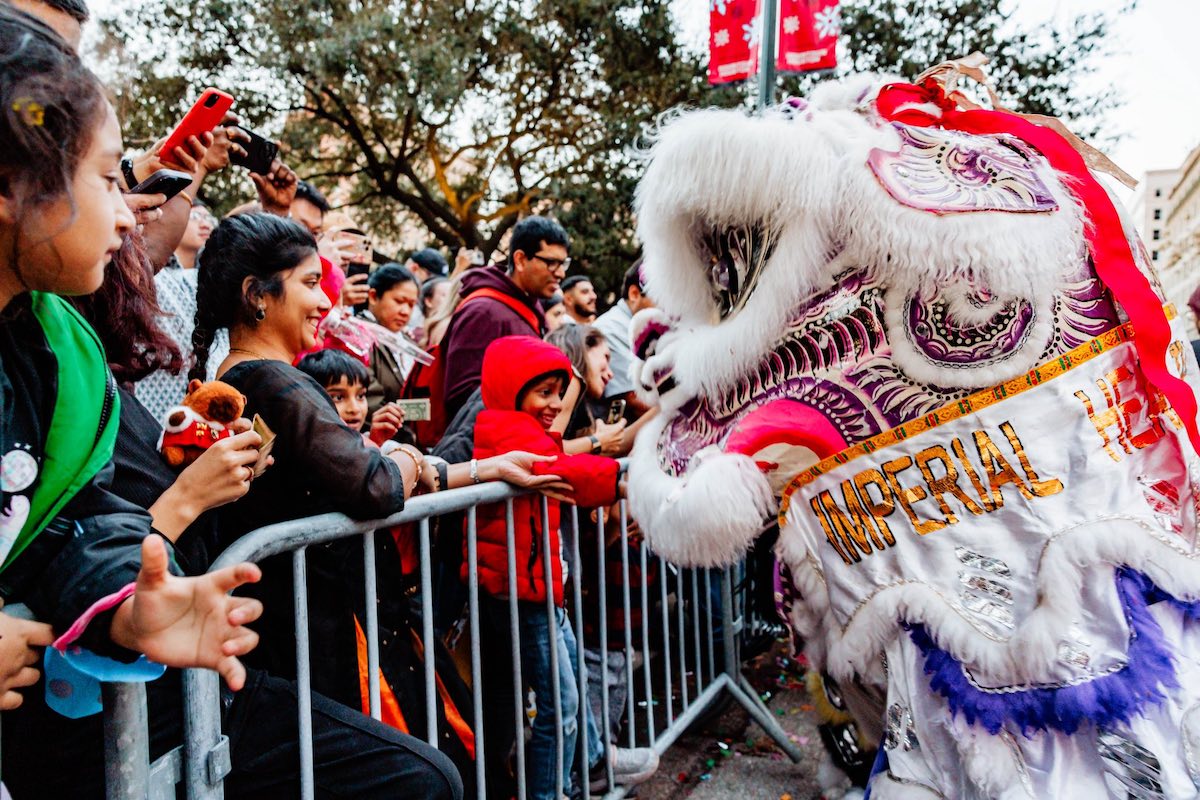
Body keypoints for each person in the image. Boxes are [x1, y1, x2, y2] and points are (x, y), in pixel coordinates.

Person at [0, 11, 265, 793]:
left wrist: (124, 606)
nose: (127, 213)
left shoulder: (57, 354)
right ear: (11, 186)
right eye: (108, 176)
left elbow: (71, 527)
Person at [471, 336, 656, 799]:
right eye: (544, 393)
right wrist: (623, 481)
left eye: (559, 392)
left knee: (569, 686)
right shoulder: (506, 429)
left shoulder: (523, 426)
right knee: (561, 705)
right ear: (511, 391)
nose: (555, 404)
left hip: (539, 587)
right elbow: (565, 470)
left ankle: (592, 761)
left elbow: (559, 447)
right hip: (523, 592)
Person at [440, 215, 568, 420]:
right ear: (520, 259)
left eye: (563, 263)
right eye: (551, 263)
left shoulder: (530, 307)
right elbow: (460, 396)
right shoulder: (482, 312)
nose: (560, 273)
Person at [135, 200, 231, 420]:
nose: (204, 223)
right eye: (195, 217)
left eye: (209, 219)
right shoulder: (152, 277)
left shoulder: (216, 280)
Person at [297, 348, 405, 446]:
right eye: (338, 397)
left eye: (360, 396)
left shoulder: (370, 442)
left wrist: (376, 441)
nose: (355, 409)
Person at [592, 260, 656, 418]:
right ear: (634, 294)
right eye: (661, 298)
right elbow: (636, 401)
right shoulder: (610, 330)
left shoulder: (647, 328)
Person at [360, 262, 420, 419]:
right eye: (399, 301)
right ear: (373, 297)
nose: (405, 311)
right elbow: (371, 401)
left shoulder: (409, 342)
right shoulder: (356, 337)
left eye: (411, 305)